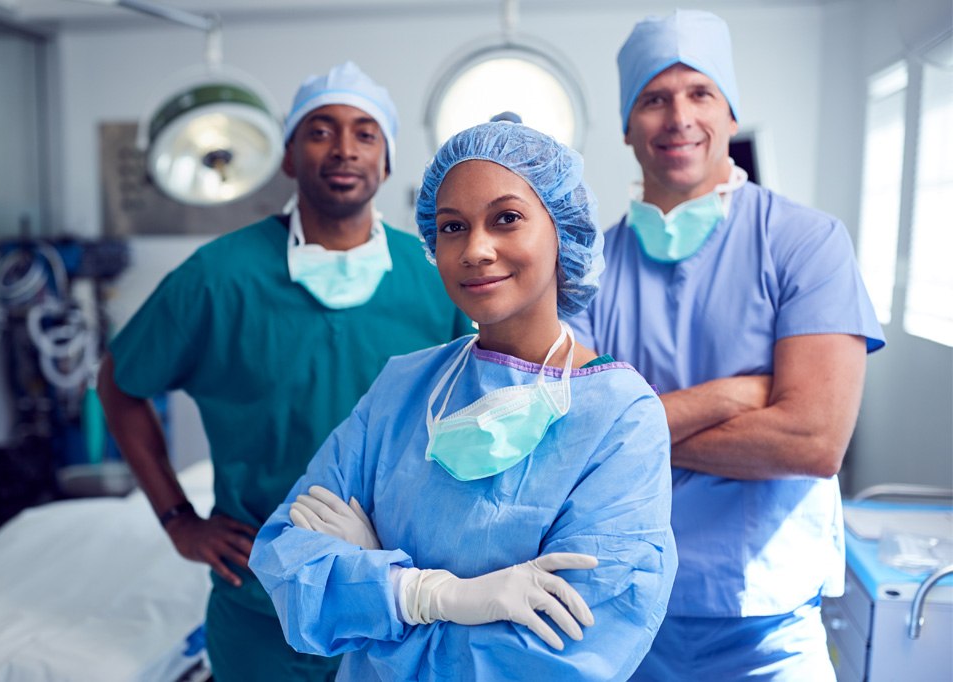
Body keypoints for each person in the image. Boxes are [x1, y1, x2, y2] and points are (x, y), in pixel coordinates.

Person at [249, 120, 678, 681]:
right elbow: (286, 556)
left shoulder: (620, 416)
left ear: (561, 230)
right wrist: (431, 595)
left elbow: (564, 659)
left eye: (506, 218)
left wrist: (373, 582)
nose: (475, 250)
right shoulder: (404, 388)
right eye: (452, 226)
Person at [96, 61, 473, 682]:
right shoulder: (218, 278)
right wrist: (177, 520)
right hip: (261, 613)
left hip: (398, 605)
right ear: (289, 156)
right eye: (320, 131)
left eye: (365, 133)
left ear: (387, 160)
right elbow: (119, 382)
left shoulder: (436, 278)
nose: (344, 149)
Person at [567, 10, 886, 680]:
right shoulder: (589, 268)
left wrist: (629, 433)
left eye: (700, 93)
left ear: (731, 114)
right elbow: (571, 440)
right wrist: (733, 396)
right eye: (654, 99)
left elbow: (813, 441)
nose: (678, 117)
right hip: (624, 614)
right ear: (627, 125)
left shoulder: (806, 243)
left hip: (768, 629)